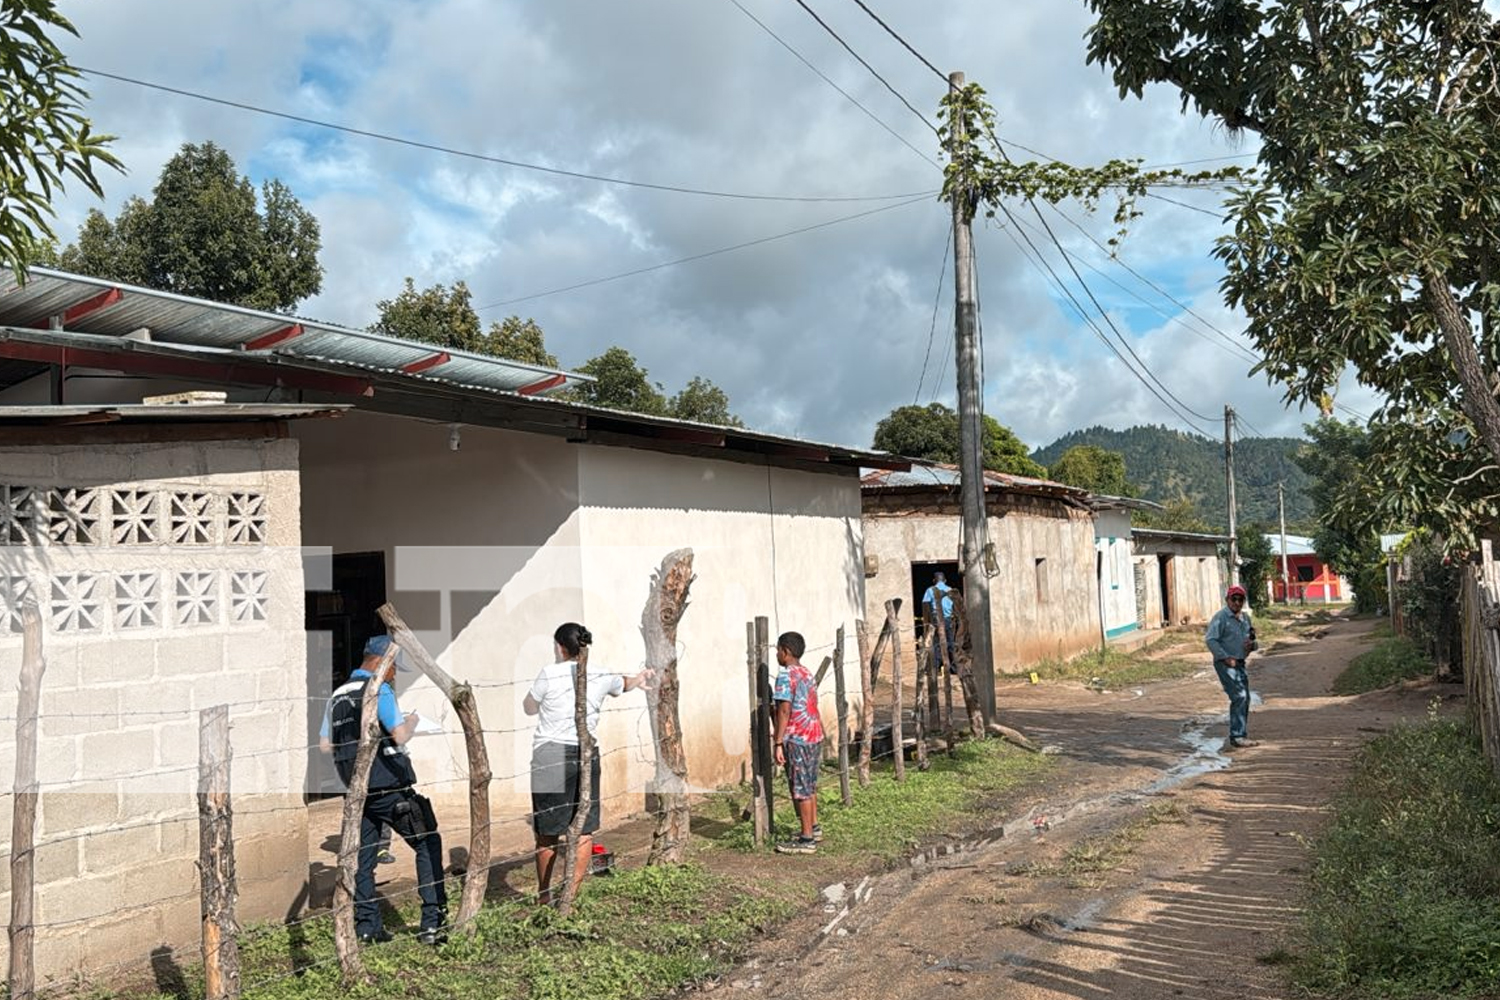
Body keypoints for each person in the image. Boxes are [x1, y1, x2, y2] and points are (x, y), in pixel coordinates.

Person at [328, 635, 447, 945]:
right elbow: (399, 735)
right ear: (382, 662)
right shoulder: (378, 688)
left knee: (364, 859)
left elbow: (326, 744)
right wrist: (412, 720)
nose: (394, 675)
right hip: (389, 786)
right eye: (394, 668)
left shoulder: (337, 694)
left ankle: (367, 927)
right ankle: (433, 924)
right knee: (427, 842)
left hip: (356, 790)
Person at [523, 623, 653, 905]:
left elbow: (529, 707)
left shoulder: (548, 673)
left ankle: (544, 896)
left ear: (560, 647)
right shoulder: (601, 673)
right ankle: (570, 894)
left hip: (550, 754)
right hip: (585, 754)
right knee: (583, 829)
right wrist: (639, 678)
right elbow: (624, 683)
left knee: (547, 832)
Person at [319, 696, 395, 865]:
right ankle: (372, 849)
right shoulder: (375, 698)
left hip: (348, 767)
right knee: (376, 805)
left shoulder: (335, 704)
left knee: (355, 809)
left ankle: (357, 849)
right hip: (371, 768)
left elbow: (325, 746)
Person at [772, 631, 825, 855]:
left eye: (777, 650)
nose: (776, 654)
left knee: (801, 788)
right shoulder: (806, 673)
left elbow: (784, 710)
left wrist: (778, 741)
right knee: (809, 784)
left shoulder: (786, 675)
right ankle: (813, 826)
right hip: (814, 734)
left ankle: (806, 839)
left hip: (798, 737)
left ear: (786, 651)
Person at [1205, 584, 1259, 749]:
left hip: (1240, 662)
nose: (1236, 602)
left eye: (1240, 599)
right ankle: (1237, 736)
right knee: (1239, 696)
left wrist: (1252, 644)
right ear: (1227, 600)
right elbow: (1210, 640)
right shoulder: (1221, 617)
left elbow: (1252, 641)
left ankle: (1240, 734)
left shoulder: (1245, 619)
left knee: (1245, 698)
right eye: (1233, 599)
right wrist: (1225, 657)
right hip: (1226, 664)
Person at [921, 572, 958, 673]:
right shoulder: (950, 590)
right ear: (945, 580)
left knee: (936, 644)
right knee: (950, 643)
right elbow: (956, 605)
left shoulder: (930, 590)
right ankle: (954, 669)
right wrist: (953, 616)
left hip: (936, 619)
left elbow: (925, 605)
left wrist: (927, 621)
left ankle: (935, 668)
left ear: (934, 581)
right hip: (948, 619)